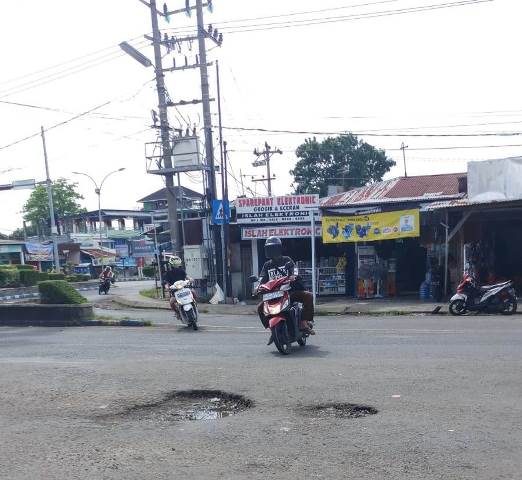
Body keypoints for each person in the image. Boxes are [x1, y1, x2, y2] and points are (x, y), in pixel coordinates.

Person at [256, 236, 315, 335]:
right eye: (269, 249)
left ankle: (303, 322)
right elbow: (262, 278)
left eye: (273, 248)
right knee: (259, 308)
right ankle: (272, 329)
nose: (271, 251)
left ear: (279, 249)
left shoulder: (286, 259)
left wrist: (294, 276)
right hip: (273, 295)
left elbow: (294, 269)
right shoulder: (267, 265)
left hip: (289, 292)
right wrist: (258, 286)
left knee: (308, 296)